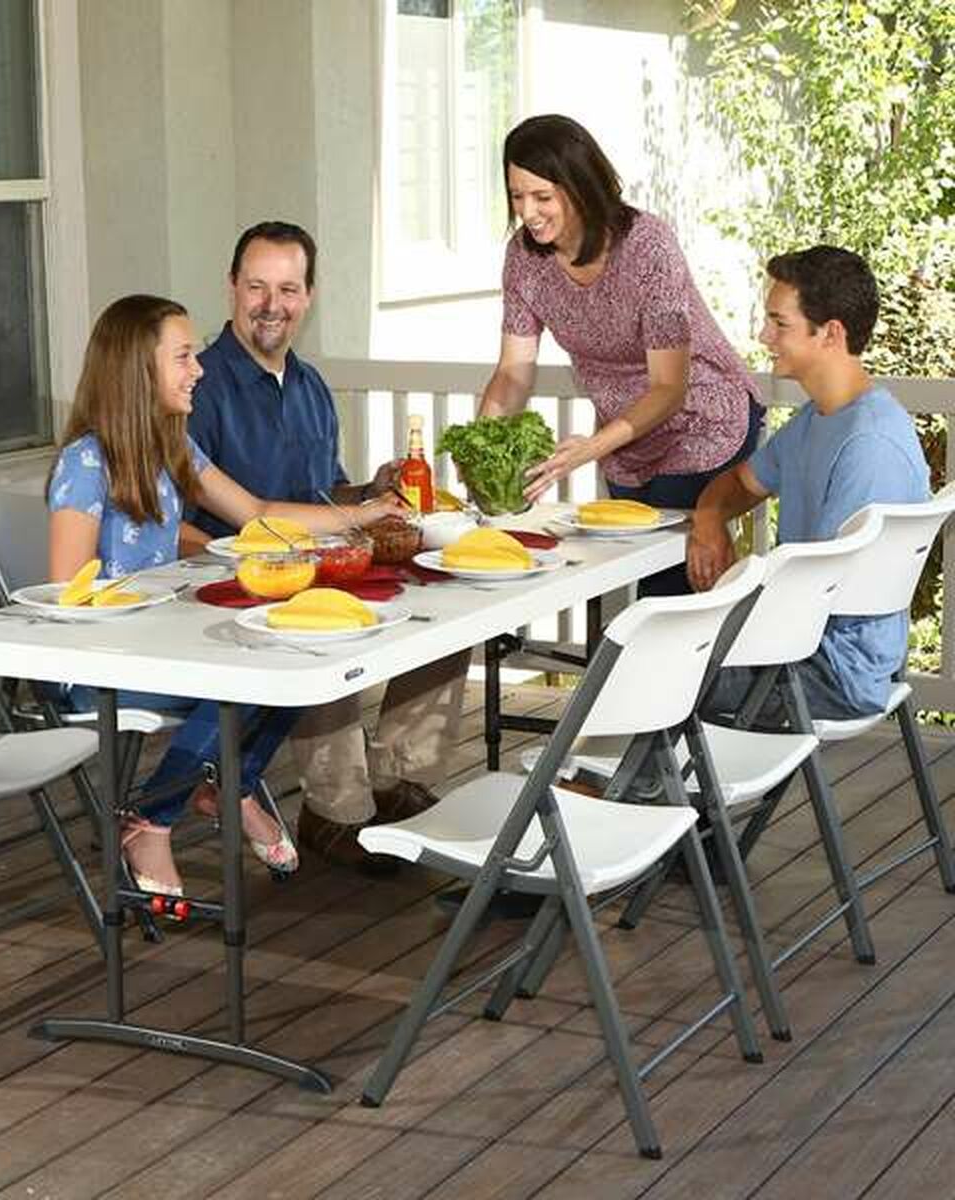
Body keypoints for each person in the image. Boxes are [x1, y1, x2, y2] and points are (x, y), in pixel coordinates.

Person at [48, 293, 404, 896]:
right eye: (183, 357)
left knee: (295, 663)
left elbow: (256, 512)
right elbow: (67, 596)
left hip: (159, 645)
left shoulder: (171, 445)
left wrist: (362, 514)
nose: (199, 369)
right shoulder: (86, 463)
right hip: (99, 666)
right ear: (138, 370)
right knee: (242, 681)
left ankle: (227, 785)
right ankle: (153, 822)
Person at [180, 221, 472, 872]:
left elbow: (325, 494)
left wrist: (371, 490)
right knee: (326, 626)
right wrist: (225, 555)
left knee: (450, 611)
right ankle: (336, 809)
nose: (270, 305)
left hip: (320, 561)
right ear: (231, 288)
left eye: (287, 289)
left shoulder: (310, 386)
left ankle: (399, 779)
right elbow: (169, 513)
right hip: (235, 585)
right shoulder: (202, 386)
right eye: (256, 287)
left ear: (308, 296)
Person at [479, 114, 763, 595]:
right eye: (517, 196)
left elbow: (670, 387)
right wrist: (483, 442)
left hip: (702, 417)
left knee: (671, 583)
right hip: (625, 439)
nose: (528, 212)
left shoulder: (648, 246)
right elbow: (513, 371)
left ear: (580, 185)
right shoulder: (524, 259)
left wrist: (588, 449)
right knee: (639, 572)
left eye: (542, 197)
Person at [690, 245, 930, 721]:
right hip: (797, 644)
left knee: (656, 670)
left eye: (780, 324)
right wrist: (710, 515)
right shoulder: (820, 418)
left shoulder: (869, 444)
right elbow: (742, 482)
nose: (764, 336)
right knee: (651, 660)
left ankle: (590, 773)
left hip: (829, 670)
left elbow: (825, 589)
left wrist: (732, 604)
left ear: (830, 333)